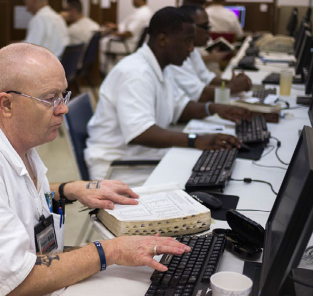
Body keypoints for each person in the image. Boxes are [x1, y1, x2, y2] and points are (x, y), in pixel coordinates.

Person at [0, 43, 191, 296]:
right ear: (7, 104)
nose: (62, 108)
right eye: (50, 99)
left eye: (63, 95)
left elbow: (12, 195)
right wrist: (110, 250)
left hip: (21, 293)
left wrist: (69, 189)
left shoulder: (8, 140)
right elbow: (11, 285)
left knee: (140, 284)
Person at [85, 7, 249, 188]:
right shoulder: (135, 74)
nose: (191, 48)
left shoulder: (163, 67)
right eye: (187, 41)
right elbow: (141, 132)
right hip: (119, 167)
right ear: (163, 40)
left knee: (210, 168)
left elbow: (181, 107)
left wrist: (214, 108)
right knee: (204, 180)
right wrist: (197, 139)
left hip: (142, 156)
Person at [166, 5, 252, 103]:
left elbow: (206, 78)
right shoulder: (174, 56)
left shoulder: (192, 50)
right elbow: (198, 94)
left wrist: (232, 83)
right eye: (205, 27)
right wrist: (233, 86)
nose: (209, 32)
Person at [99, 0, 152, 73]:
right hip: (128, 42)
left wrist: (112, 33)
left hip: (128, 44)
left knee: (102, 43)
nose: (132, 1)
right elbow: (127, 27)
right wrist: (116, 27)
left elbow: (129, 33)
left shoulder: (142, 14)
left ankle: (110, 72)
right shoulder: (142, 11)